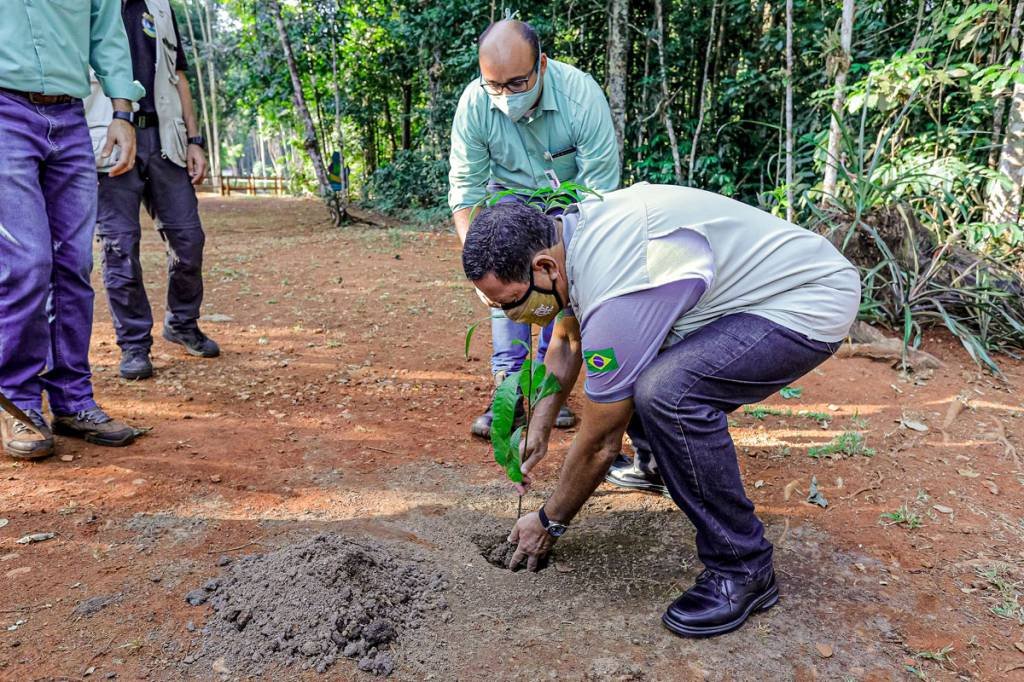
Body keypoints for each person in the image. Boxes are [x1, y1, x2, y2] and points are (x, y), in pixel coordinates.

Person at [462, 183, 860, 637]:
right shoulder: (568, 237)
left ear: (545, 266)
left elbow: (599, 442)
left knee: (668, 393)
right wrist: (540, 424)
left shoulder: (616, 284)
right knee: (629, 363)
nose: (510, 316)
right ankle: (657, 465)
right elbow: (568, 338)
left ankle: (742, 565)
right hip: (743, 297)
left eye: (511, 301)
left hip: (806, 300)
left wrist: (549, 521)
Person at [448, 19, 620, 439]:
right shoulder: (474, 103)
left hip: (568, 200)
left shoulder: (581, 96)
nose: (505, 96)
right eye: (495, 85)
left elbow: (600, 191)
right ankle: (509, 389)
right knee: (504, 279)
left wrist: (568, 254)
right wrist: (480, 264)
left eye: (517, 83)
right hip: (505, 197)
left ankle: (548, 387)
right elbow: (465, 189)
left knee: (559, 281)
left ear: (541, 65)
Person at [0, 0, 145, 459]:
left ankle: (72, 400)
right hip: (4, 112)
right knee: (27, 261)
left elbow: (107, 34)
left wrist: (122, 113)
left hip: (69, 118)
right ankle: (18, 400)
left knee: (73, 264)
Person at [86, 0, 219, 381]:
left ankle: (182, 322)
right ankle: (133, 344)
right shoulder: (89, 6)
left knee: (188, 238)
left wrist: (195, 139)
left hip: (164, 139)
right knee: (119, 247)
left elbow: (179, 76)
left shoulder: (160, 7)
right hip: (109, 140)